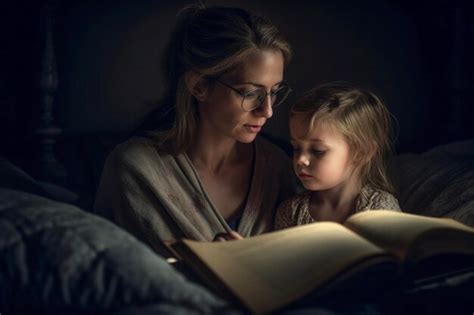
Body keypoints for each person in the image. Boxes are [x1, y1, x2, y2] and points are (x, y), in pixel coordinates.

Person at [94, 4, 297, 256]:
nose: (267, 110)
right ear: (199, 85)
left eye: (274, 92)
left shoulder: (279, 169)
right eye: (250, 93)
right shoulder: (135, 170)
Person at [275, 82, 401, 229]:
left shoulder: (381, 209)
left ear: (361, 152)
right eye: (296, 148)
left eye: (317, 151)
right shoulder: (290, 212)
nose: (301, 160)